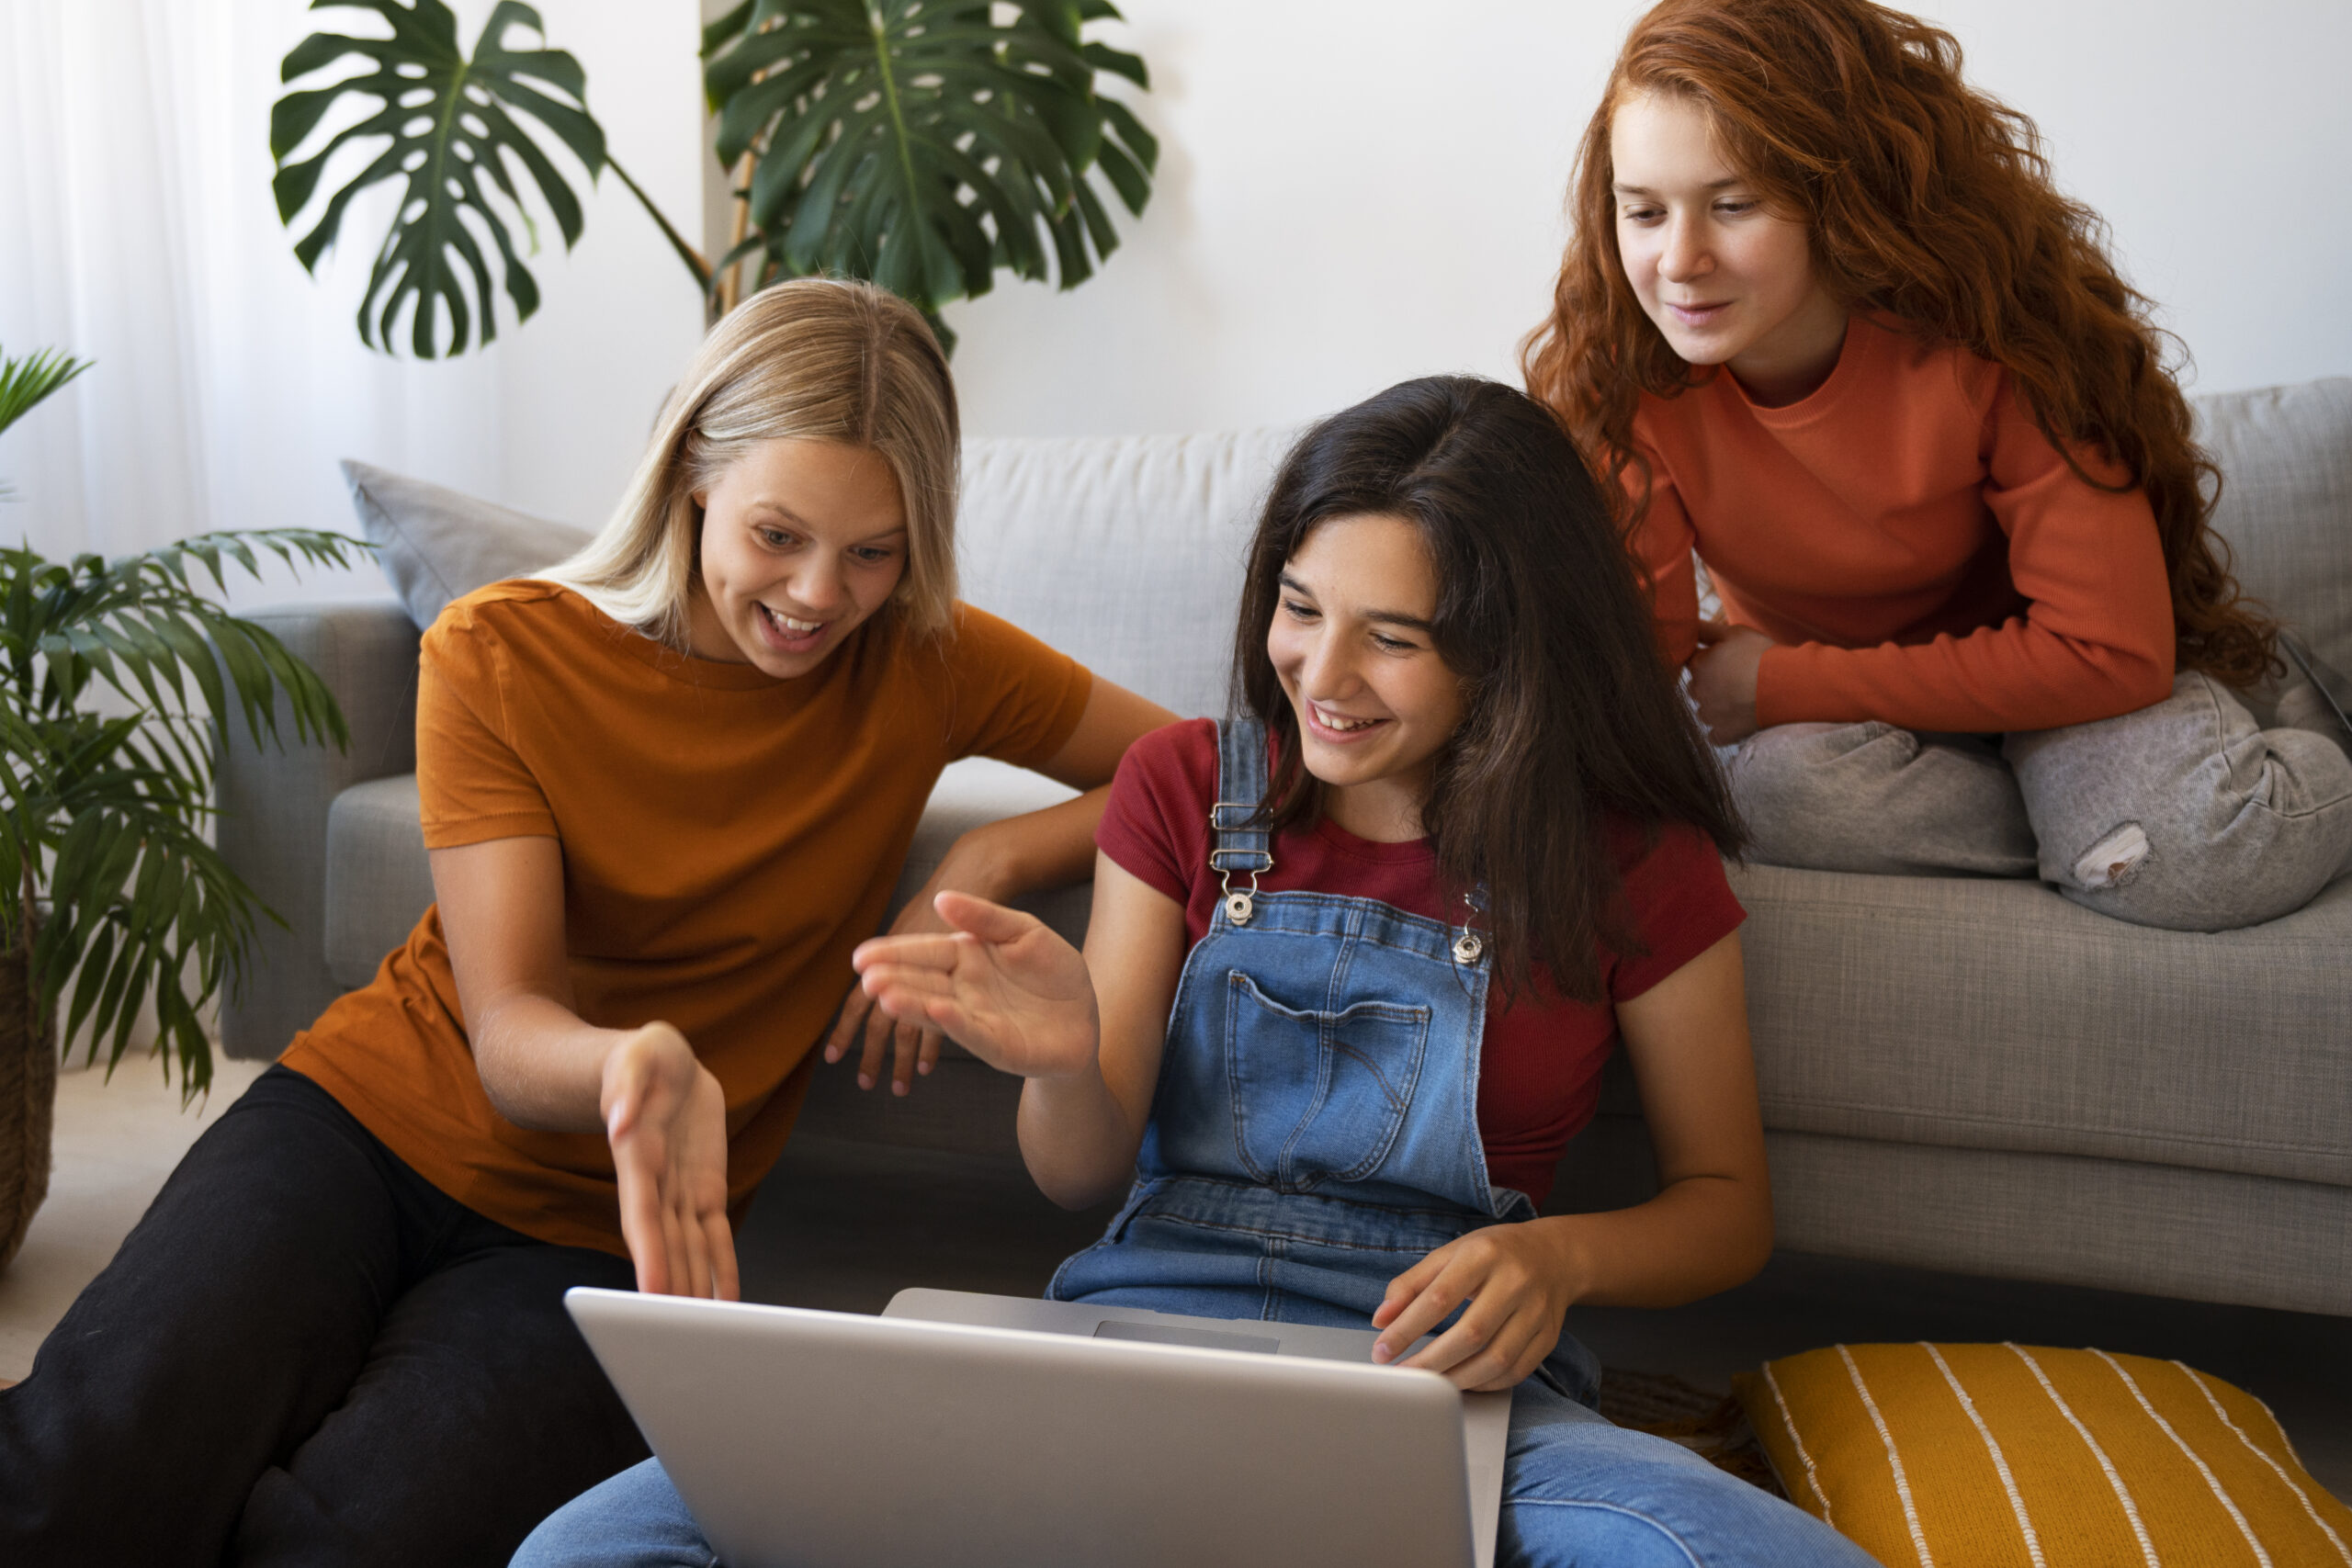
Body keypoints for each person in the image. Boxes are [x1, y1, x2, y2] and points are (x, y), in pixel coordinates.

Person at [514, 378, 1878, 1567]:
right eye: (1299, 609)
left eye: (1391, 637)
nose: (1320, 675)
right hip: (1139, 1339)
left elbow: (1726, 1207)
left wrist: (1554, 1255)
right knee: (595, 1539)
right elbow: (1082, 1172)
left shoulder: (1627, 849)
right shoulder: (1182, 786)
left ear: (1510, 650)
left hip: (1451, 1385)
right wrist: (1060, 1060)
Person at [0, 277, 1171, 1567]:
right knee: (86, 1472)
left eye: (873, 551)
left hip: (594, 1241)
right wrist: (629, 1057)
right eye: (778, 533)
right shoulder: (501, 653)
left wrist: (997, 849)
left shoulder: (927, 661)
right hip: (361, 1126)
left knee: (359, 1537)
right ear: (693, 478)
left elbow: (1196, 762)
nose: (818, 594)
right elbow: (507, 1032)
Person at [1522, 0, 2352, 931]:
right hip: (1854, 736)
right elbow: (1637, 673)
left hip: (2061, 693)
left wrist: (1781, 684)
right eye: (1642, 211)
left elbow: (2107, 651)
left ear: (1841, 194)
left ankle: (2312, 729)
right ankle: (2096, 839)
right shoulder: (1624, 381)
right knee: (1768, 795)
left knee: (2206, 861)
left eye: (1732, 204)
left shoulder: (1999, 336)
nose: (1677, 260)